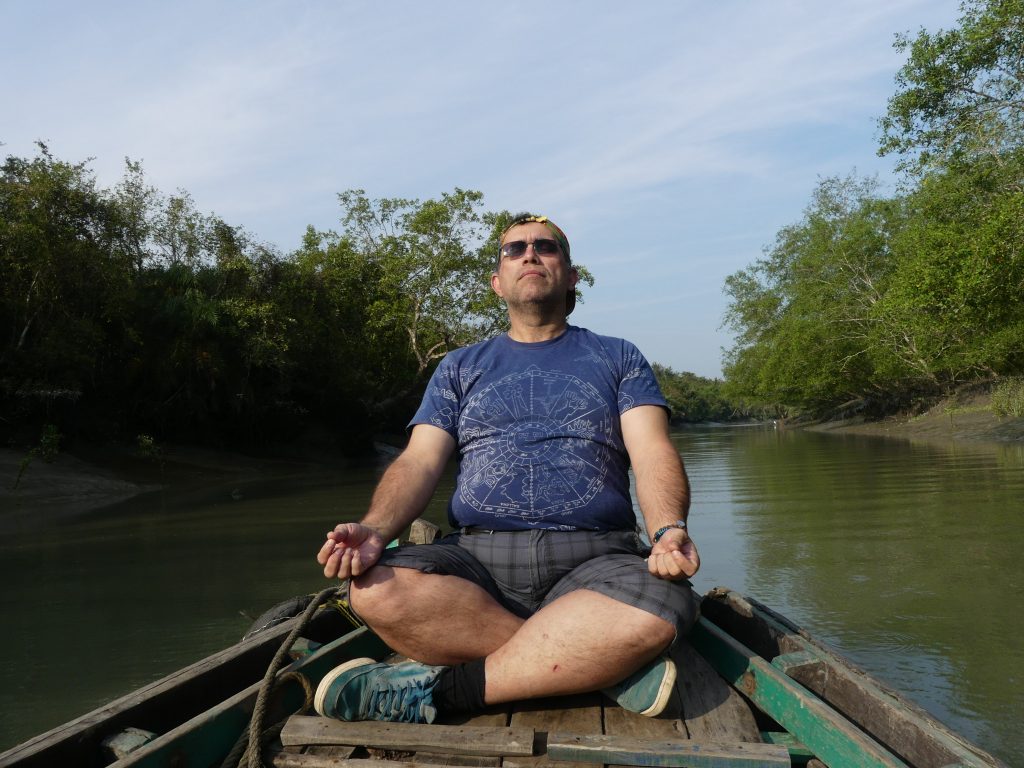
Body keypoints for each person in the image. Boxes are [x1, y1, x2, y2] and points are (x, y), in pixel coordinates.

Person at [314, 213, 700, 724]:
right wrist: (376, 530)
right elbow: (420, 459)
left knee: (657, 606)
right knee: (375, 592)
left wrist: (668, 530)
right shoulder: (458, 366)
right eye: (514, 249)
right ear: (497, 282)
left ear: (571, 274)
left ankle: (447, 692)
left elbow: (651, 450)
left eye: (546, 246)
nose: (530, 255)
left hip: (596, 555)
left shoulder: (618, 356)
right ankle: (591, 665)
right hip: (477, 562)